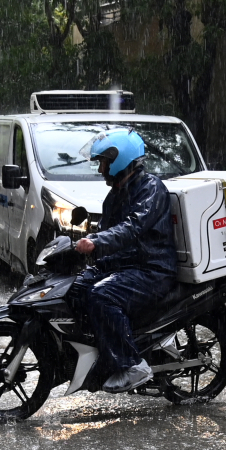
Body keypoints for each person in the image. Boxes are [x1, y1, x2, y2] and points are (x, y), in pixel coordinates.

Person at [73, 129, 177, 393]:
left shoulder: (150, 188)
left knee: (102, 295)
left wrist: (98, 242)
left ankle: (131, 364)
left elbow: (132, 227)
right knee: (76, 288)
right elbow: (106, 229)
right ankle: (102, 357)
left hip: (153, 269)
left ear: (119, 160)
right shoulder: (116, 194)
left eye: (103, 163)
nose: (101, 169)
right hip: (128, 265)